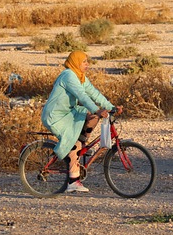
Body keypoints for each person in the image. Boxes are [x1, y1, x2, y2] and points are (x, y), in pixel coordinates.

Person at [41, 51, 122, 193]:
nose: (87, 64)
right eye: (84, 61)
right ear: (75, 63)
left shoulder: (80, 77)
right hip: (55, 116)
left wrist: (111, 107)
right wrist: (97, 109)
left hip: (68, 112)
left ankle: (80, 144)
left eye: (87, 61)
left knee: (93, 117)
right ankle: (73, 181)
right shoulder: (68, 76)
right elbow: (82, 96)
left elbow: (94, 93)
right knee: (76, 140)